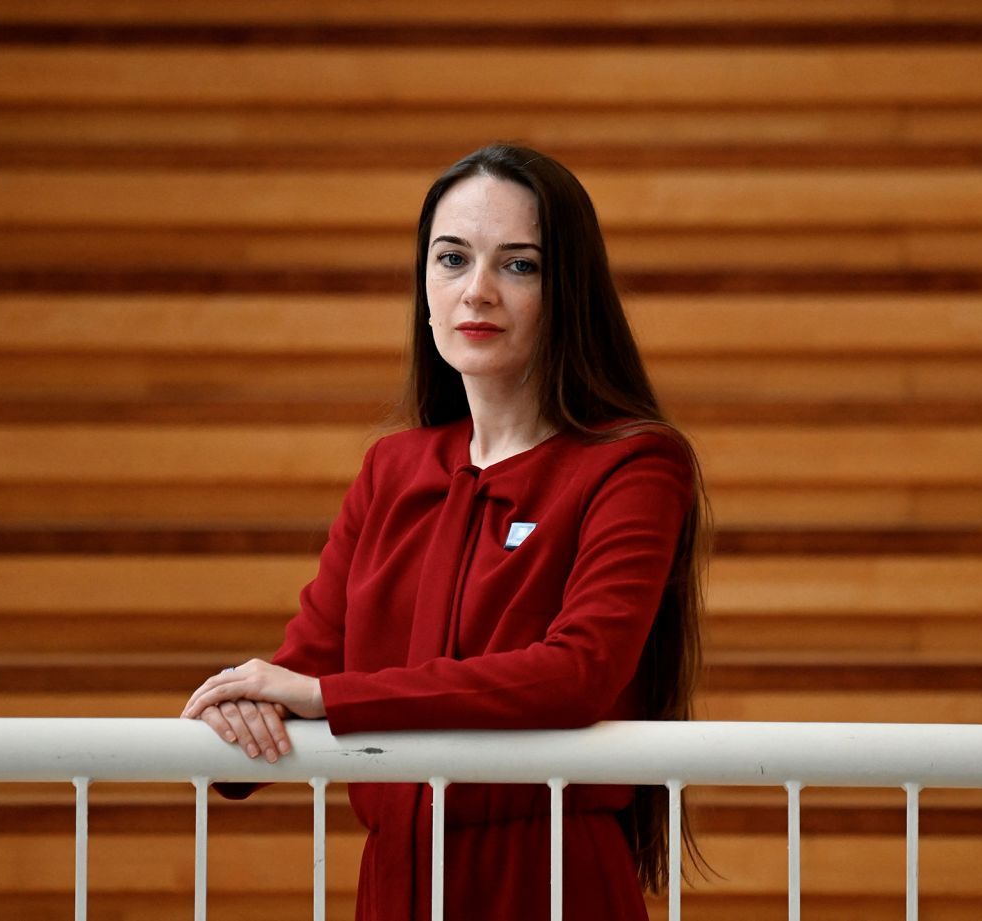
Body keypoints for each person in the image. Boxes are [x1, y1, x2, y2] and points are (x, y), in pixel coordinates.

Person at [181, 143, 707, 921]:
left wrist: (324, 696)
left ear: (569, 290)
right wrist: (240, 710)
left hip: (548, 877)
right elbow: (304, 669)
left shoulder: (634, 465)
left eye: (519, 265)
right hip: (393, 882)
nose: (478, 292)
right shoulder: (391, 470)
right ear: (424, 285)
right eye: (452, 259)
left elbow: (578, 672)